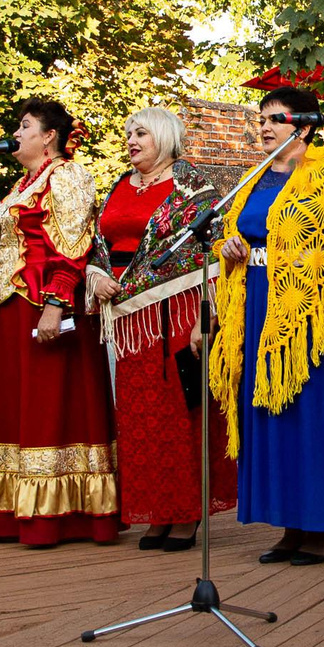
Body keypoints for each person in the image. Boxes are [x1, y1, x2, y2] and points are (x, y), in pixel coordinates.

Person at [211, 84, 324, 565]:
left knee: (311, 417)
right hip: (256, 303)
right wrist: (230, 251)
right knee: (270, 416)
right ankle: (288, 525)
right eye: (261, 119)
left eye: (275, 118)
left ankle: (319, 526)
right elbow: (232, 235)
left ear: (303, 126)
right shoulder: (252, 179)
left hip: (310, 314)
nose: (264, 126)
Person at [0, 98, 121, 545]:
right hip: (11, 307)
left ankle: (60, 513)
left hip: (43, 304)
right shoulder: (23, 184)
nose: (16, 134)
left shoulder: (68, 175)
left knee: (51, 404)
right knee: (15, 405)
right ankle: (11, 509)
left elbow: (72, 245)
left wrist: (56, 303)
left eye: (24, 126)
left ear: (49, 136)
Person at [86, 106, 232, 551]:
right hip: (127, 315)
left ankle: (184, 513)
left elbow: (213, 252)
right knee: (137, 416)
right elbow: (97, 243)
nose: (131, 140)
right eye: (129, 133)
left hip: (178, 310)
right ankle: (154, 511)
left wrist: (208, 315)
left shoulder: (194, 187)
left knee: (178, 412)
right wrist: (96, 275)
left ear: (165, 138)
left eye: (141, 133)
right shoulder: (118, 187)